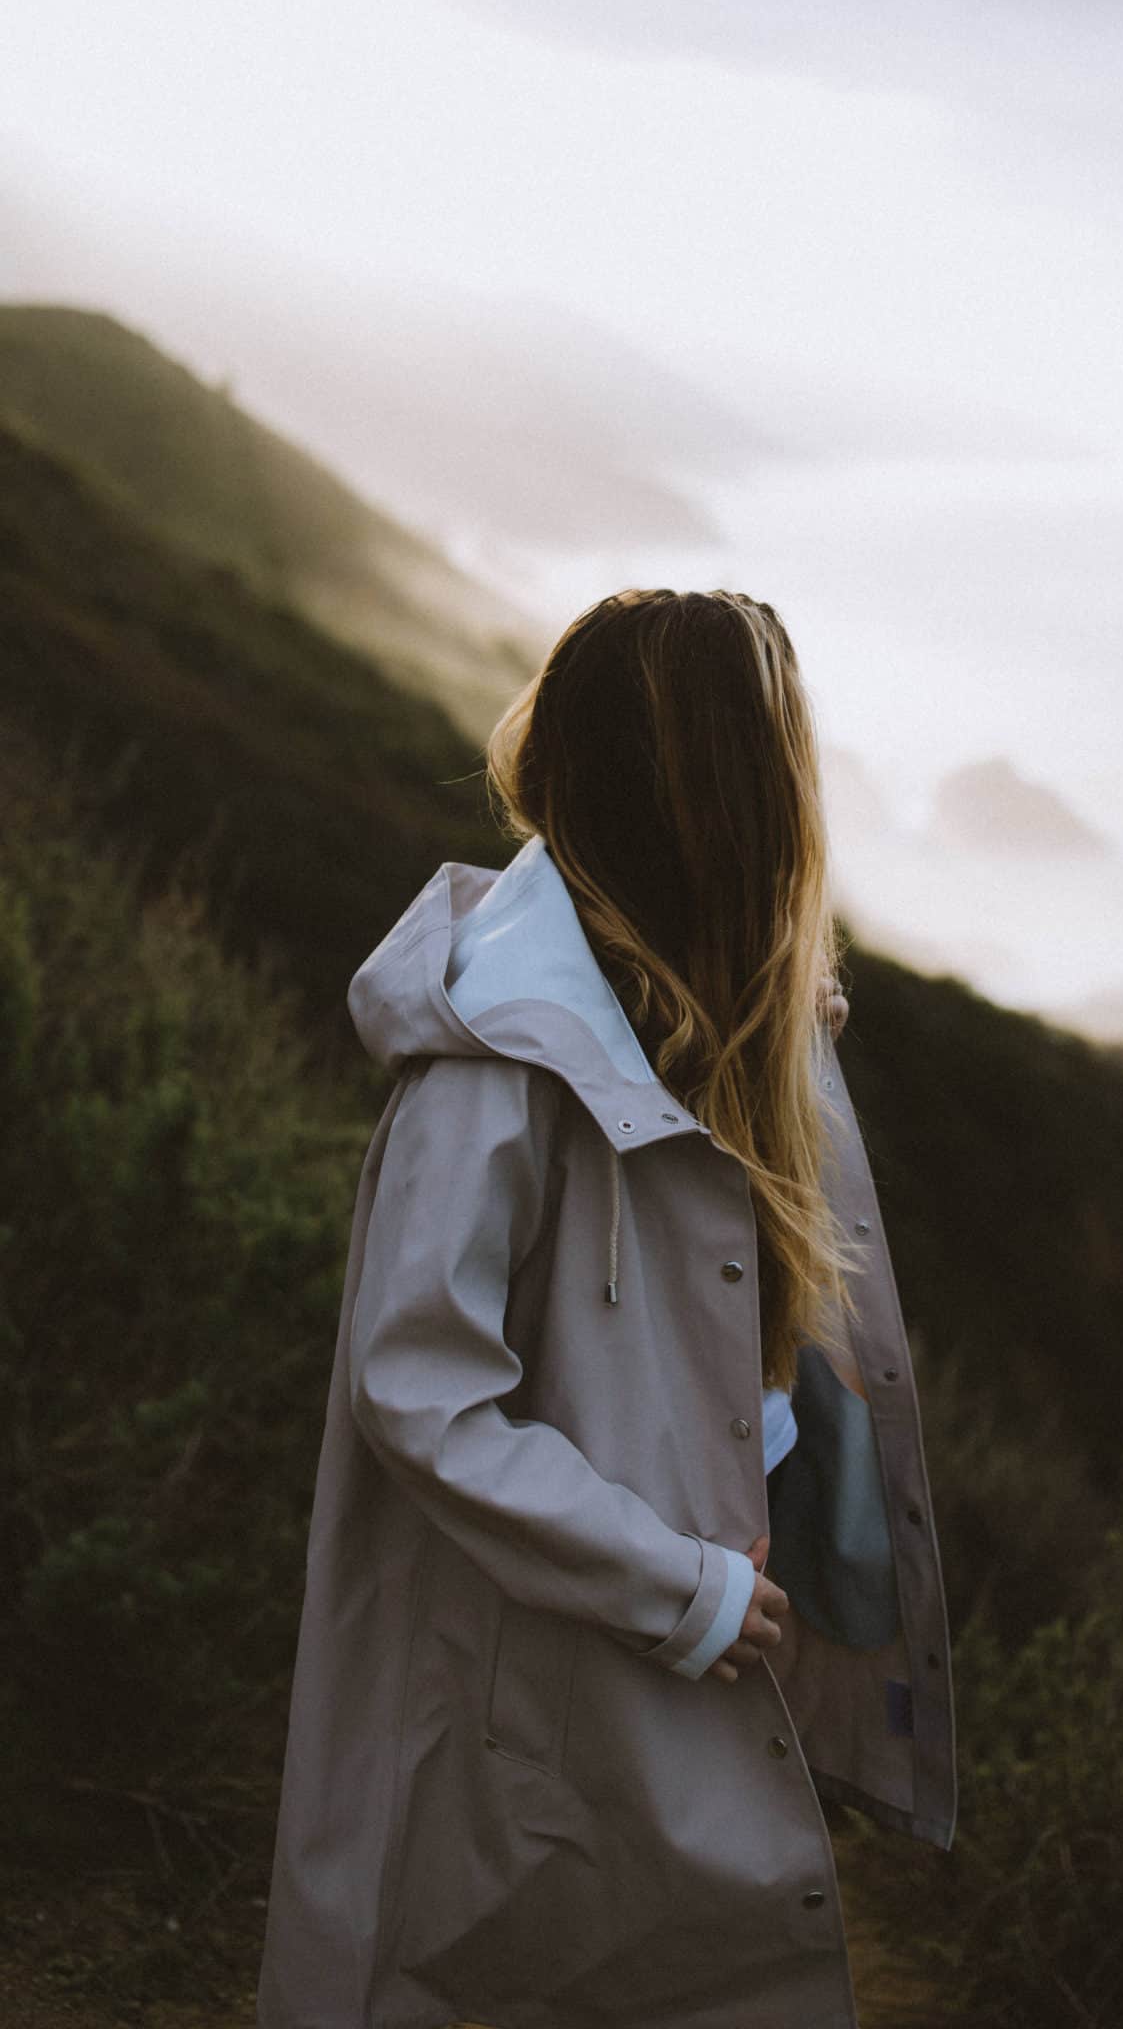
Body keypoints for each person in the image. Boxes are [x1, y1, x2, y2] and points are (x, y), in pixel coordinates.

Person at [257, 588, 956, 2029]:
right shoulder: (493, 1068)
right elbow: (421, 1391)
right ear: (719, 799)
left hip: (650, 1628)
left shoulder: (726, 1029)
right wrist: (676, 1585)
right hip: (542, 1652)